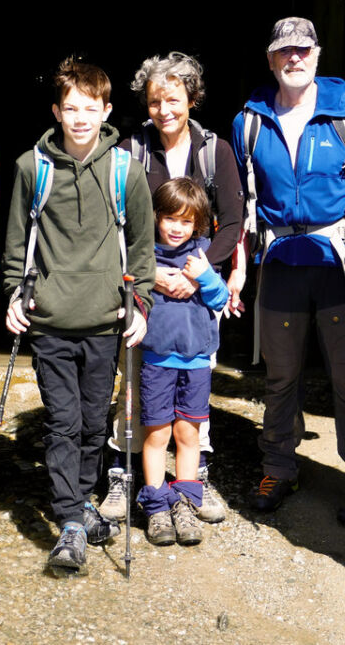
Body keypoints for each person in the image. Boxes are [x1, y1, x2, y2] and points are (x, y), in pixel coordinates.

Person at [231, 17, 345, 523]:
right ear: (270, 59)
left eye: (303, 50)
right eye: (284, 51)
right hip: (280, 263)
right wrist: (239, 268)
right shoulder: (249, 121)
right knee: (280, 377)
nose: (294, 58)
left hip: (339, 265)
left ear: (317, 55)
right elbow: (242, 203)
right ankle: (279, 466)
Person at [3, 58, 155, 574]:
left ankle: (81, 502)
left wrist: (141, 304)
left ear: (107, 110)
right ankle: (71, 520)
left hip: (106, 321)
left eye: (91, 109)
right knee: (63, 423)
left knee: (93, 424)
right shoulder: (32, 168)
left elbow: (142, 248)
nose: (81, 118)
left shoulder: (125, 171)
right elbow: (16, 246)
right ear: (56, 112)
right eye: (71, 109)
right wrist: (15, 295)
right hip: (49, 321)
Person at [100, 52, 243, 526]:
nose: (164, 110)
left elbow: (232, 223)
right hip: (145, 286)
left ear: (192, 99)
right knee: (136, 387)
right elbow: (114, 221)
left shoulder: (215, 151)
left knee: (192, 392)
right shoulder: (130, 150)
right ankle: (124, 474)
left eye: (174, 99)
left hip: (197, 288)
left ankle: (192, 480)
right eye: (155, 101)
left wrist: (197, 273)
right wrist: (145, 272)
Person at [137, 178, 229, 547]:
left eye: (186, 221)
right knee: (157, 435)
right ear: (156, 217)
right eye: (170, 219)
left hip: (196, 360)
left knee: (188, 435)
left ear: (198, 224)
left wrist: (204, 276)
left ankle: (185, 504)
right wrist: (147, 277)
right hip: (157, 358)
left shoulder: (204, 253)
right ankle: (157, 507)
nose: (177, 228)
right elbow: (126, 291)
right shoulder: (143, 254)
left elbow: (221, 299)